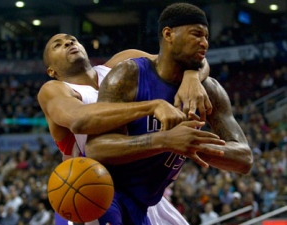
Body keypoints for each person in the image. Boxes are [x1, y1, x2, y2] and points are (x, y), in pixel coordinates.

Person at [86, 2, 253, 224]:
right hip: (105, 191)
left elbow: (244, 159)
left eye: (206, 37)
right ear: (168, 34)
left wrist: (194, 143)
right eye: (196, 34)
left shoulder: (210, 89)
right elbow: (96, 148)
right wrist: (165, 140)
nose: (204, 43)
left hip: (143, 205)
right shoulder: (128, 74)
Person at [38, 33, 225, 225]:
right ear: (51, 71)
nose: (69, 42)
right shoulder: (54, 89)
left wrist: (192, 76)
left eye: (72, 39)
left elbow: (190, 59)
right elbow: (79, 120)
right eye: (57, 45)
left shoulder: (123, 63)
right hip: (96, 190)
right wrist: (153, 106)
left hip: (147, 191)